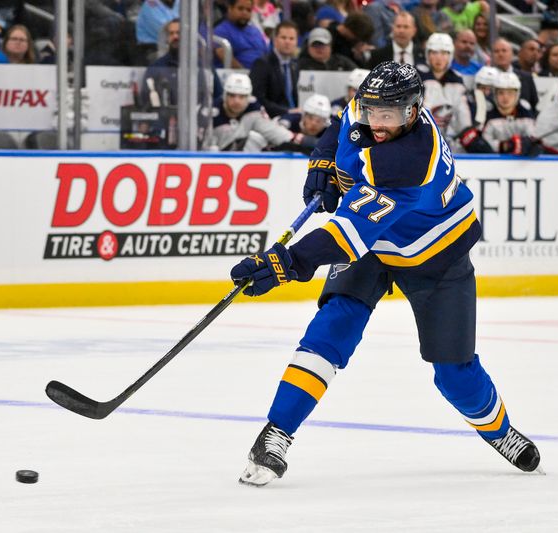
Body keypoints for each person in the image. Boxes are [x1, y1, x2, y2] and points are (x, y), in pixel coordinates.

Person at [229, 61, 541, 487]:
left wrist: (285, 263)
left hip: (436, 253)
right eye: (372, 112)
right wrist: (323, 161)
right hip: (377, 246)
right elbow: (344, 124)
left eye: (387, 116)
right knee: (332, 326)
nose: (376, 123)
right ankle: (277, 432)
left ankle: (500, 431)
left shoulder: (409, 161)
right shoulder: (374, 108)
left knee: (454, 372)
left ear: (413, 112)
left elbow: (347, 233)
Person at [419, 32, 491, 153]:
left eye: (444, 53)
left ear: (450, 55)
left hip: (453, 144)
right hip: (422, 142)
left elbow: (464, 119)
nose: (439, 58)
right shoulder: (417, 78)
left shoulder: (458, 80)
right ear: (428, 55)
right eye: (434, 52)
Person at [199, 72, 303, 152]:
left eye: (242, 96)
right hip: (212, 160)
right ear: (225, 96)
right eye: (232, 95)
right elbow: (198, 144)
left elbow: (272, 131)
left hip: (237, 159)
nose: (237, 101)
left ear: (249, 97)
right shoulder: (210, 112)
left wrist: (294, 140)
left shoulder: (254, 108)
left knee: (256, 139)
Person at [482, 71, 541, 156]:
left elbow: (533, 136)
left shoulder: (526, 113)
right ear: (495, 94)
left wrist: (527, 143)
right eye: (501, 93)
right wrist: (504, 146)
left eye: (510, 93)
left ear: (517, 94)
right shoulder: (488, 114)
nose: (505, 97)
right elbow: (484, 142)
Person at [249, 20, 300, 118]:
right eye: (283, 38)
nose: (287, 42)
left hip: (292, 115)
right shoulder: (262, 63)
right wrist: (287, 111)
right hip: (270, 117)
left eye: (291, 38)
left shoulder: (294, 64)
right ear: (275, 40)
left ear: (296, 42)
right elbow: (257, 98)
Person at [213, 0, 268, 69]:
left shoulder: (256, 31)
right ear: (230, 9)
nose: (244, 13)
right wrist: (251, 76)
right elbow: (227, 59)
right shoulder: (221, 31)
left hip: (262, 75)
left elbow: (267, 55)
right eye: (240, 8)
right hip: (238, 76)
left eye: (248, 10)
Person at [491, 37, 538, 111]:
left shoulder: (526, 77)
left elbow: (534, 106)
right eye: (496, 51)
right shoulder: (486, 78)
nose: (500, 54)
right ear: (492, 55)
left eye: (504, 50)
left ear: (512, 54)